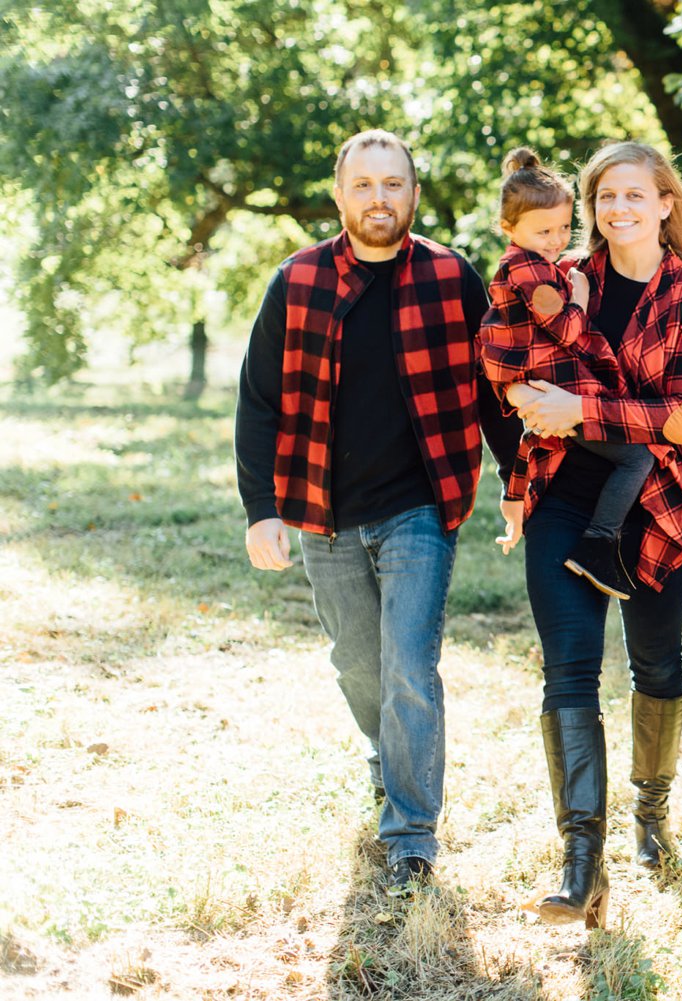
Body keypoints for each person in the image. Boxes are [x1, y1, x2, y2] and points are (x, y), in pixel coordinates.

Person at [235, 129, 516, 897]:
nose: (379, 199)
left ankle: (412, 835)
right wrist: (262, 508)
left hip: (421, 506)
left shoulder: (452, 278)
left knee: (409, 669)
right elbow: (258, 401)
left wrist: (517, 481)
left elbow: (495, 389)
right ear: (341, 196)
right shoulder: (296, 283)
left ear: (413, 195)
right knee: (359, 665)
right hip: (322, 509)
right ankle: (386, 754)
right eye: (364, 185)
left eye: (394, 184)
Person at [483, 141, 682, 929]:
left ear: (663, 203)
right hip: (560, 491)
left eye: (633, 194)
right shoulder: (558, 276)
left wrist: (581, 410)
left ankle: (651, 812)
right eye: (604, 196)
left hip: (654, 500)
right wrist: (518, 434)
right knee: (568, 670)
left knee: (655, 661)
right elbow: (501, 364)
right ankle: (581, 862)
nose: (617, 208)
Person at [477, 146, 655, 600]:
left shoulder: (532, 264)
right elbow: (566, 327)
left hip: (551, 384)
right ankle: (599, 542)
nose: (557, 239)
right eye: (544, 231)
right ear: (508, 228)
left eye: (563, 227)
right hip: (560, 387)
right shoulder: (531, 272)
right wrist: (578, 295)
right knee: (637, 457)